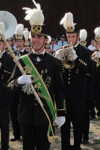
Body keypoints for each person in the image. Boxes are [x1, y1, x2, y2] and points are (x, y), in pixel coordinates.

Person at [9, 1, 65, 150]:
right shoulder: (22, 61)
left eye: (39, 37)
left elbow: (59, 90)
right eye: (33, 36)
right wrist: (18, 82)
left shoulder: (55, 63)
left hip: (44, 116)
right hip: (25, 116)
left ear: (45, 39)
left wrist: (61, 113)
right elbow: (9, 86)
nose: (35, 40)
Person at [57, 12, 94, 150]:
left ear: (78, 37)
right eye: (68, 37)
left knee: (78, 126)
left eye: (73, 37)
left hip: (79, 95)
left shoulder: (85, 52)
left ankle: (77, 146)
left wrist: (76, 58)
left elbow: (91, 71)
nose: (70, 39)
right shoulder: (62, 50)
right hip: (66, 96)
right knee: (65, 127)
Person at [0, 21, 15, 150]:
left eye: (0, 43)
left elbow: (11, 75)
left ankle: (4, 147)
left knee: (4, 125)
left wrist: (1, 68)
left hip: (3, 97)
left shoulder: (9, 58)